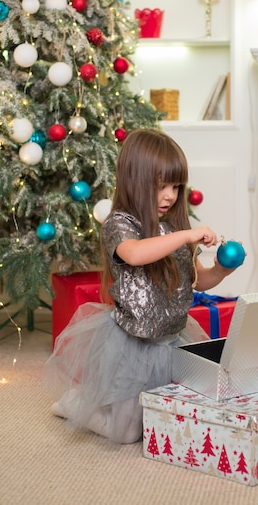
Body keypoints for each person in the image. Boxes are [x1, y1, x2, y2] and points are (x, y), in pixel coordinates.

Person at [43, 129, 243, 444]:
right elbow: (135, 254)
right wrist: (187, 235)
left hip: (172, 340)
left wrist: (221, 269)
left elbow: (198, 280)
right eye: (160, 186)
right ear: (135, 180)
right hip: (131, 345)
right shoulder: (120, 225)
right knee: (125, 433)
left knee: (173, 423)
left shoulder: (176, 228)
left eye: (175, 186)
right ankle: (75, 402)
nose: (170, 196)